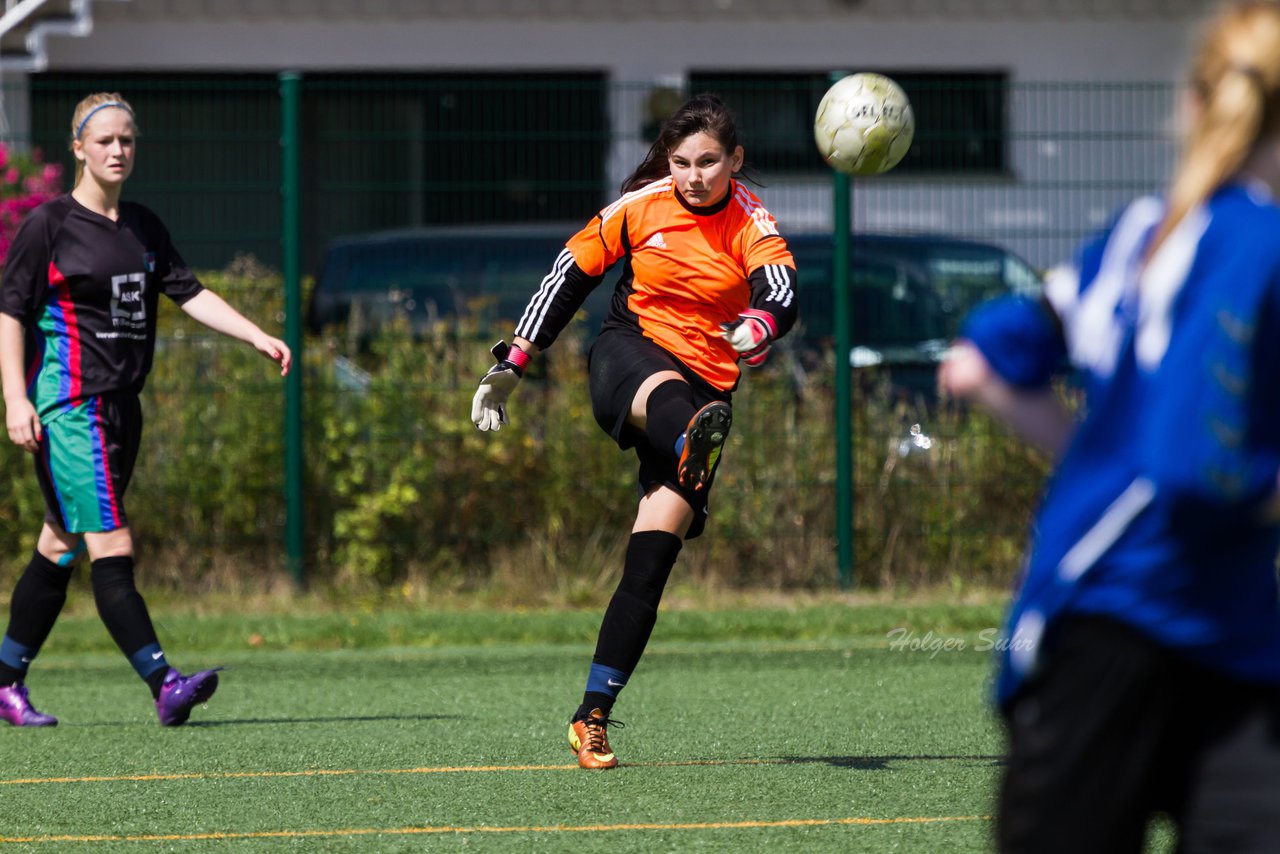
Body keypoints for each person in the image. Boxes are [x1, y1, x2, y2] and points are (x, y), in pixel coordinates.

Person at [938, 3, 1280, 849]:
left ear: (1194, 106)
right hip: (1177, 623)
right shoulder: (1262, 246)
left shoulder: (1138, 235)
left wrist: (1093, 458)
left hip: (1098, 621)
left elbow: (974, 365)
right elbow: (1199, 468)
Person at [471, 94, 797, 769]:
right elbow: (568, 276)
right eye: (681, 162)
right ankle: (689, 440)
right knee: (673, 399)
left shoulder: (750, 219)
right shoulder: (640, 207)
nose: (693, 175)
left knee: (648, 565)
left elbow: (780, 287)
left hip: (708, 389)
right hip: (631, 356)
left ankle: (591, 716)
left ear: (735, 161)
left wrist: (761, 325)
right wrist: (515, 361)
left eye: (709, 161)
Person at [0, 92, 291, 727]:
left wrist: (256, 335)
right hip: (69, 409)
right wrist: (16, 398)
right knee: (111, 544)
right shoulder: (48, 226)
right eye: (103, 140)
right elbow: (11, 314)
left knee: (58, 545)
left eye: (127, 140)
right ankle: (164, 683)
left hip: (121, 413)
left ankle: (3, 682)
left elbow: (190, 293)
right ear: (78, 148)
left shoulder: (143, 226)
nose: (117, 151)